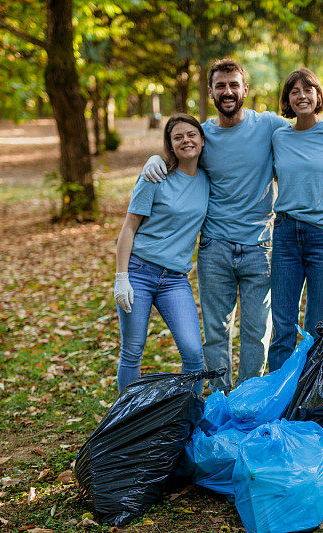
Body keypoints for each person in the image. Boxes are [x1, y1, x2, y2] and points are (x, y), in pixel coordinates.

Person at [141, 58, 323, 393]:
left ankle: (249, 399)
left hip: (262, 246)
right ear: (210, 91)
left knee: (257, 332)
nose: (227, 92)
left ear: (245, 89)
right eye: (220, 86)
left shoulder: (267, 125)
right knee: (216, 332)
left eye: (233, 85)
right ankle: (219, 400)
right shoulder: (204, 135)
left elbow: (304, 129)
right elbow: (178, 153)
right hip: (215, 247)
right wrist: (156, 158)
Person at [112, 114, 208, 393]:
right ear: (170, 145)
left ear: (202, 140)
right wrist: (122, 277)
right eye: (178, 137)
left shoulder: (208, 180)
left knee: (193, 353)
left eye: (191, 134)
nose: (186, 141)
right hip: (139, 272)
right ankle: (126, 421)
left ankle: (188, 417)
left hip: (175, 279)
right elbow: (129, 227)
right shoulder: (155, 177)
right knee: (132, 351)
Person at [267, 68, 323, 372]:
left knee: (319, 326)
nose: (301, 96)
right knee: (282, 326)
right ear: (287, 99)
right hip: (286, 234)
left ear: (318, 96)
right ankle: (278, 398)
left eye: (308, 89)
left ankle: (315, 398)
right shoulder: (279, 137)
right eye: (294, 91)